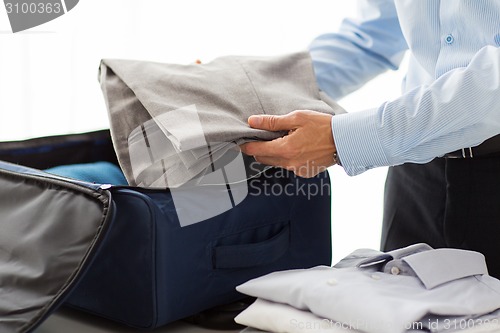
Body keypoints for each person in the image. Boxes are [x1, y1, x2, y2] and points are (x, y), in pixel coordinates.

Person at [241, 1, 500, 278]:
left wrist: (341, 139)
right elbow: (371, 35)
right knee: (396, 313)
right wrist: (248, 89)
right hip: (415, 174)